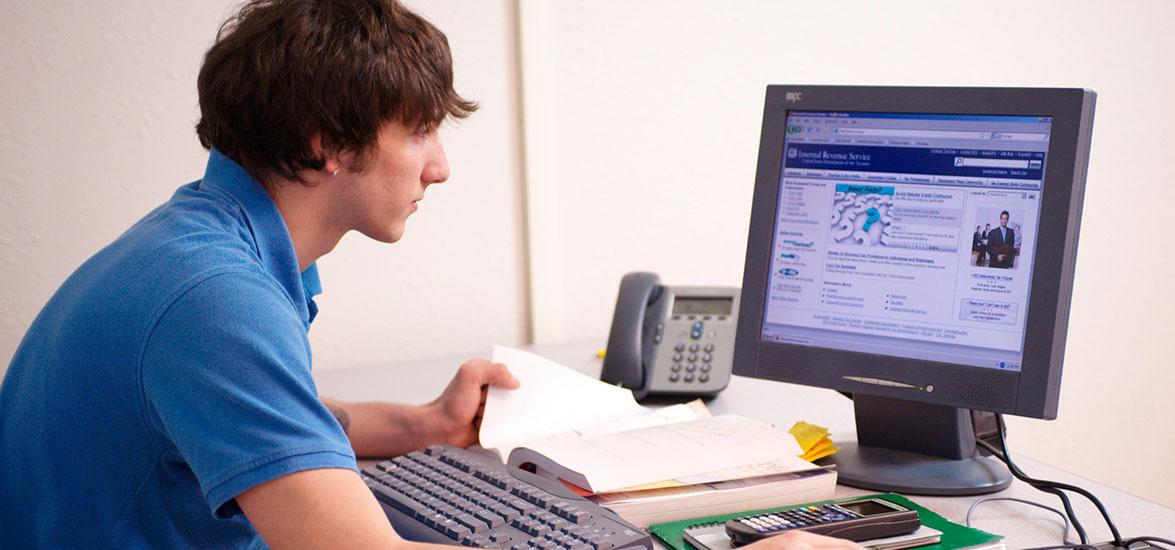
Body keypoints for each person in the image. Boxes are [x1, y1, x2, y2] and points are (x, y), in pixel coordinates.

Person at [0, 1, 861, 549]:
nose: (439, 168)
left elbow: (268, 418)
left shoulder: (195, 246)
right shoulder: (213, 302)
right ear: (326, 144)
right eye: (418, 133)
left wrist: (422, 423)